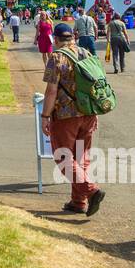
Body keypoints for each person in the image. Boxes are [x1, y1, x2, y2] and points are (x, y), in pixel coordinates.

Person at [40, 23, 104, 216]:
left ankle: (91, 189)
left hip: (65, 115)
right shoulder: (86, 53)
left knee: (63, 157)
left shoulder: (56, 57)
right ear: (73, 37)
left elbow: (51, 91)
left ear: (56, 39)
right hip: (88, 112)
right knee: (81, 157)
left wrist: (45, 116)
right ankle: (78, 202)